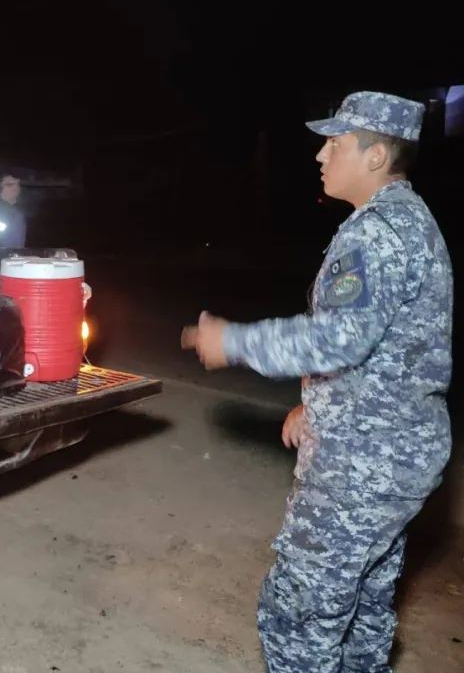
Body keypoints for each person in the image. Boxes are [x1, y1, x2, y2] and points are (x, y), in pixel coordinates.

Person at [181, 91, 453, 672]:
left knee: (298, 619)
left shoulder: (377, 233)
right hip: (396, 453)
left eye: (335, 144)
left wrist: (234, 341)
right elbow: (397, 349)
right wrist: (318, 404)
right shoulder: (410, 220)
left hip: (364, 465)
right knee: (364, 610)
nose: (320, 156)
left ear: (376, 156)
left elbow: (340, 337)